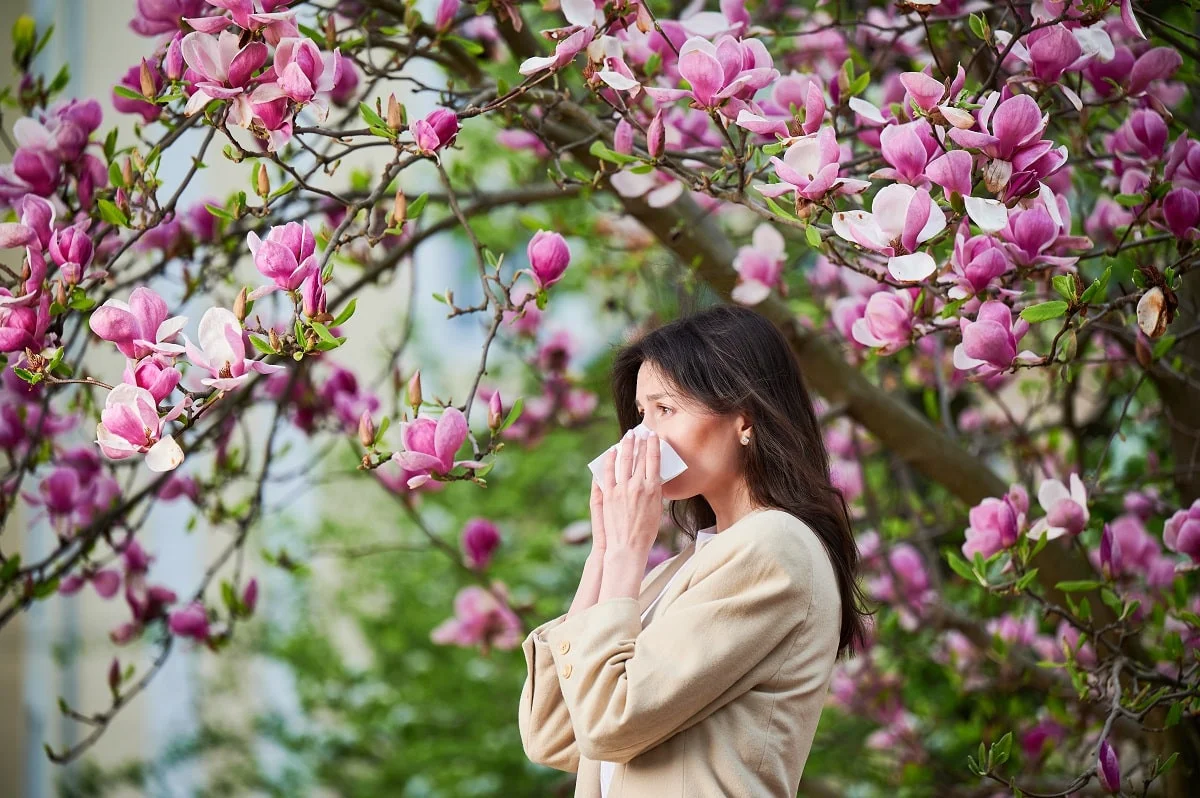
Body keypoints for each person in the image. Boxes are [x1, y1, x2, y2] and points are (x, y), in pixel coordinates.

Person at [518, 304, 872, 797]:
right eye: (641, 415)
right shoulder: (687, 567)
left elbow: (609, 724)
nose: (641, 437)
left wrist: (626, 552)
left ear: (744, 419)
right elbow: (553, 734)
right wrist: (603, 551)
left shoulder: (773, 548)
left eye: (666, 410)